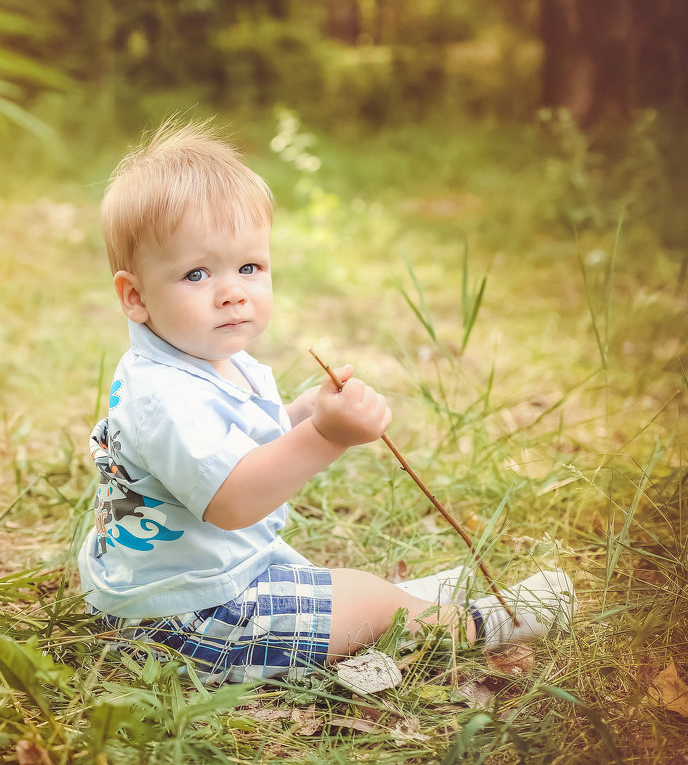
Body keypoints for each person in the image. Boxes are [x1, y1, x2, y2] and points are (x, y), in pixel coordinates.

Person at [76, 119, 575, 684]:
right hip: (187, 620)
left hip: (178, 584)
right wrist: (324, 437)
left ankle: (411, 603)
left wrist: (301, 414)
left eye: (249, 267)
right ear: (135, 296)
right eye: (197, 273)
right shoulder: (165, 396)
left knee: (351, 592)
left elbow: (233, 444)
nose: (233, 290)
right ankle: (492, 620)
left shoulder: (196, 358)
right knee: (364, 603)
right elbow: (231, 500)